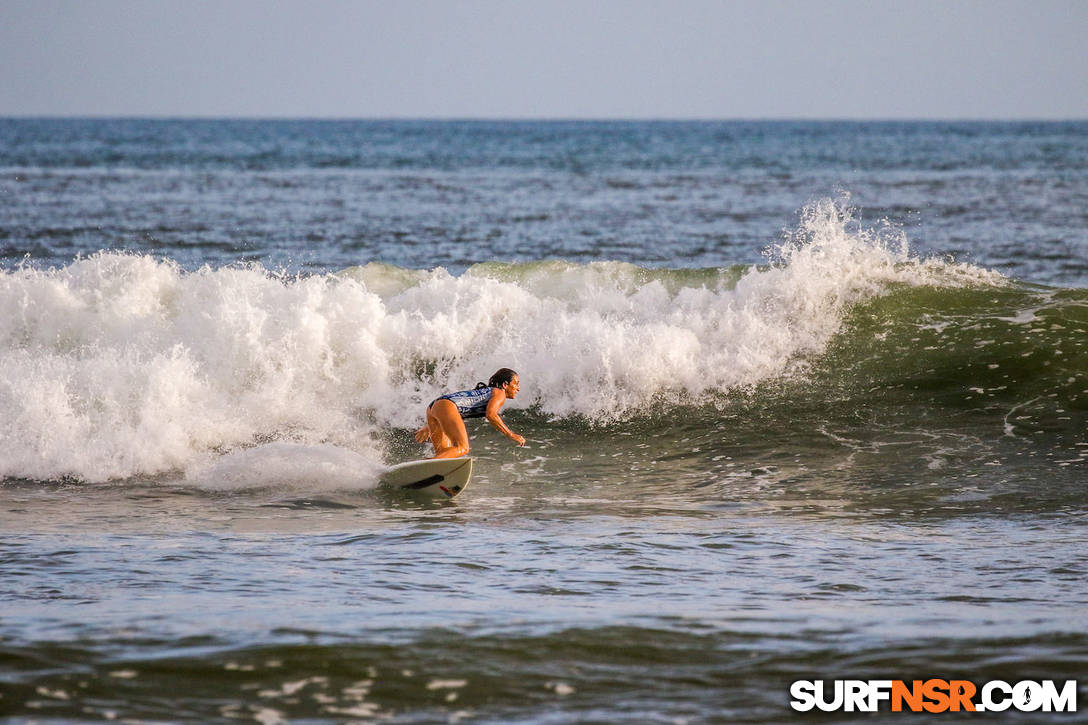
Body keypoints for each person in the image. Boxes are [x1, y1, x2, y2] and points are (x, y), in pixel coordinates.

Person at [414, 368, 526, 459]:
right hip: (447, 406)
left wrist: (431, 425)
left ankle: (424, 473)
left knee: (444, 454)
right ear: (505, 385)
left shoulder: (487, 392)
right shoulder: (499, 393)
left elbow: (455, 414)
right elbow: (491, 415)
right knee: (462, 448)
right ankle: (420, 472)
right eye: (516, 383)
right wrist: (511, 434)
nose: (518, 388)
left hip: (434, 407)